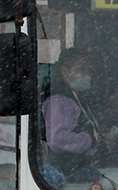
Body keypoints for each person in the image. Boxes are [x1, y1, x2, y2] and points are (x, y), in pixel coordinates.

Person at [40, 48, 102, 182]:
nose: (88, 74)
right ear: (64, 71)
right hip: (67, 172)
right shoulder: (59, 100)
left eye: (89, 69)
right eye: (82, 68)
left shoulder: (77, 98)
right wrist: (89, 140)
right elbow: (56, 139)